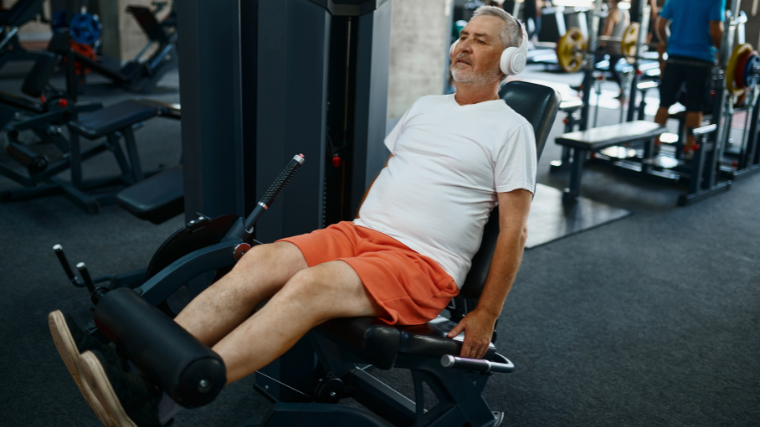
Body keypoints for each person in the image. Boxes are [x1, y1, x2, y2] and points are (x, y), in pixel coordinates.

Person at [48, 6, 537, 427]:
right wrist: (363, 226)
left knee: (309, 286)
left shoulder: (510, 129)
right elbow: (392, 173)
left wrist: (486, 315)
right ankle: (136, 374)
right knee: (259, 263)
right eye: (463, 36)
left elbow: (514, 232)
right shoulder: (425, 106)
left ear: (508, 60)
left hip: (422, 264)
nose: (464, 46)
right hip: (362, 235)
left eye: (481, 40)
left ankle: (175, 391)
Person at [653, 0, 725, 156]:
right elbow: (715, 31)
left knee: (664, 103)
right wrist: (724, 54)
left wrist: (669, 43)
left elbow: (660, 26)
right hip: (701, 59)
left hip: (675, 56)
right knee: (695, 107)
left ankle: (655, 142)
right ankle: (690, 149)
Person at [572, 0, 630, 99]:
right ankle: (622, 90)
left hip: (611, 47)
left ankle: (584, 86)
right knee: (610, 67)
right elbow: (628, 30)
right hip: (620, 46)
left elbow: (607, 32)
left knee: (591, 63)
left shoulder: (612, 13)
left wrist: (599, 45)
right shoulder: (625, 12)